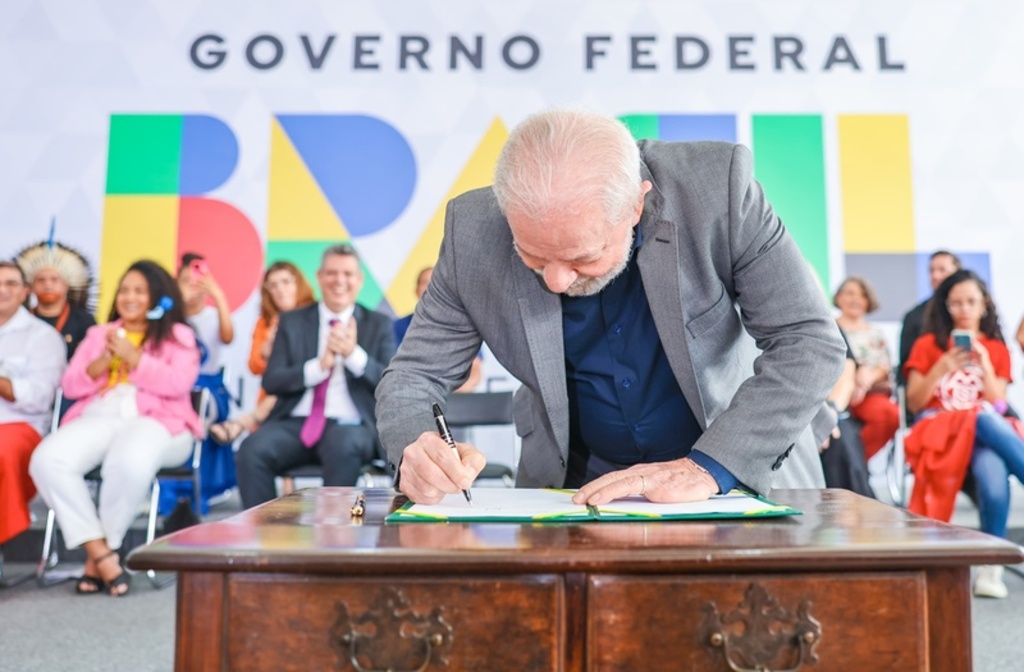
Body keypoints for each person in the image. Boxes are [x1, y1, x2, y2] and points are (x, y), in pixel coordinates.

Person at [375, 109, 846, 506]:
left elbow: (808, 340)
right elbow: (413, 377)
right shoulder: (472, 230)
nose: (556, 279)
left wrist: (709, 467)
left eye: (583, 257)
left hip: (730, 473)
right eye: (533, 257)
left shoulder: (715, 190)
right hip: (571, 491)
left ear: (638, 206)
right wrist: (417, 446)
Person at [29, 260, 202, 597]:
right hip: (103, 412)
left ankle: (99, 559)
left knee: (129, 459)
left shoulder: (179, 335)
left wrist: (134, 358)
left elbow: (178, 383)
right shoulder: (99, 334)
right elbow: (72, 384)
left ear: (158, 297)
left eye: (140, 291)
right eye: (125, 290)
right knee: (47, 460)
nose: (130, 297)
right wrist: (105, 361)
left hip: (159, 419)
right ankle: (102, 553)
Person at [235, 244, 396, 509]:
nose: (339, 281)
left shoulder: (377, 324)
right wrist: (319, 367)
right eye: (332, 273)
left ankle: (333, 538)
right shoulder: (292, 321)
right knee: (251, 450)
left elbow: (390, 382)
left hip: (352, 426)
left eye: (347, 273)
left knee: (342, 443)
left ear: (359, 280)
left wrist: (353, 354)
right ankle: (264, 539)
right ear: (320, 277)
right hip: (297, 424)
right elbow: (272, 380)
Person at [904, 269, 1024, 599]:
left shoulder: (996, 348)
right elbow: (915, 402)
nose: (964, 309)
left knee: (993, 472)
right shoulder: (928, 344)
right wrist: (942, 366)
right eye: (956, 302)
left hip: (982, 436)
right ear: (946, 306)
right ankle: (990, 565)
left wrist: (983, 364)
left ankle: (990, 569)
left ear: (984, 305)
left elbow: (1000, 403)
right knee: (982, 420)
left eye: (971, 302)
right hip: (939, 428)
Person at [208, 261, 316, 444]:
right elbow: (254, 366)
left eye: (286, 282)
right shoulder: (265, 322)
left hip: (310, 391)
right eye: (273, 285)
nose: (280, 289)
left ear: (298, 283)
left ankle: (241, 423)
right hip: (276, 393)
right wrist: (267, 350)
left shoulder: (316, 315)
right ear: (267, 291)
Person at [163, 252, 236, 514]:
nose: (192, 286)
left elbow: (228, 337)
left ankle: (201, 488)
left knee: (201, 409)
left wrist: (219, 297)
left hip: (208, 390)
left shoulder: (213, 315)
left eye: (198, 280)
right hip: (173, 388)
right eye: (185, 280)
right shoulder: (168, 317)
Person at [0, 261, 66, 546]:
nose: (2, 290)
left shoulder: (43, 337)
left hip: (17, 425)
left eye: (11, 284)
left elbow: (41, 398)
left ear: (26, 292)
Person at [833, 277, 900, 460]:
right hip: (835, 393)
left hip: (869, 394)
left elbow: (885, 366)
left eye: (862, 295)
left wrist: (866, 379)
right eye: (850, 293)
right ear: (838, 298)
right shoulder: (829, 327)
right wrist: (852, 378)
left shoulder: (875, 333)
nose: (855, 299)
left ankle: (855, 464)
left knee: (890, 415)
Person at [394, 266, 482, 393]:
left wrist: (447, 393)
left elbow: (475, 372)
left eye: (435, 283)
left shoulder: (463, 325)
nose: (430, 288)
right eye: (425, 283)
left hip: (458, 400)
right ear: (416, 290)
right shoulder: (399, 326)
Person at [15, 239, 96, 359]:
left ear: (66, 285)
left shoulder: (84, 321)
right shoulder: (19, 319)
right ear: (30, 287)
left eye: (54, 279)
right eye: (41, 280)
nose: (48, 285)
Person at [898, 250, 961, 384]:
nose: (935, 276)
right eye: (931, 270)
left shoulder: (975, 315)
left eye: (942, 270)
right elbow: (905, 370)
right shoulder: (914, 317)